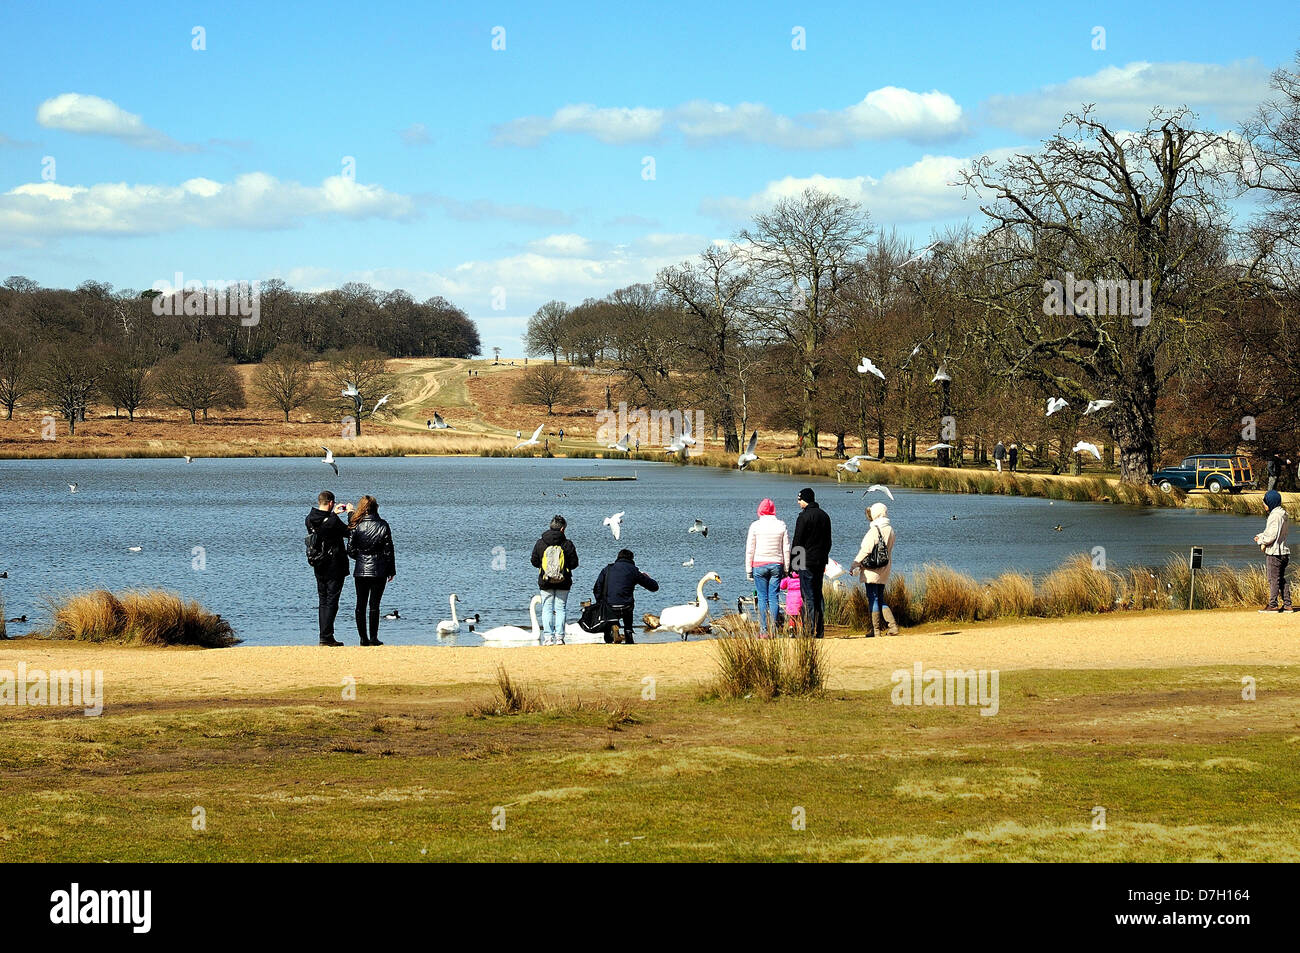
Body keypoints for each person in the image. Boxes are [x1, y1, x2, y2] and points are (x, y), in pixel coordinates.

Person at [346, 495, 396, 645]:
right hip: (379, 569)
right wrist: (391, 570)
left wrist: (361, 558)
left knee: (360, 605)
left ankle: (363, 638)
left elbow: (350, 549)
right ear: (376, 508)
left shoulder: (356, 525)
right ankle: (373, 638)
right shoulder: (383, 525)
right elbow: (389, 550)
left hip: (361, 569)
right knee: (374, 605)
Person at [305, 490, 351, 646]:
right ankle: (326, 636)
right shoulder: (332, 520)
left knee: (323, 600)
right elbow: (348, 532)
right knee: (331, 601)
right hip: (334, 565)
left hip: (318, 564)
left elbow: (322, 530)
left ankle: (324, 635)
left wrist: (334, 516)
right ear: (331, 503)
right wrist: (349, 513)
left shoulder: (310, 518)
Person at [850, 502, 899, 636]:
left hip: (872, 568)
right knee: (879, 597)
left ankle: (876, 630)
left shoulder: (874, 530)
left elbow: (866, 550)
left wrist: (854, 564)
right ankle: (892, 626)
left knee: (873, 597)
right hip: (885, 566)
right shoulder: (890, 529)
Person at [592, 549, 659, 643]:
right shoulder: (633, 570)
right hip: (626, 607)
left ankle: (610, 630)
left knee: (609, 608)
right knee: (627, 604)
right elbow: (654, 587)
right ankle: (628, 631)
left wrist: (600, 602)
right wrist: (646, 577)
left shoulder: (607, 569)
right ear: (631, 559)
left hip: (609, 607)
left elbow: (597, 588)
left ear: (618, 558)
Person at [745, 498, 790, 636]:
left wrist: (748, 569)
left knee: (762, 598)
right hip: (776, 564)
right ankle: (774, 630)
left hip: (759, 565)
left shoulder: (755, 526)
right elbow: (786, 548)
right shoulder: (781, 525)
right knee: (774, 597)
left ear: (760, 510)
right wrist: (787, 568)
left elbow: (750, 549)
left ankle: (764, 631)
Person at [530, 515, 578, 645]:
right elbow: (574, 563)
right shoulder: (567, 544)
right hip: (564, 581)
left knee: (547, 608)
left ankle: (548, 638)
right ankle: (559, 638)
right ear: (563, 529)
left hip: (545, 581)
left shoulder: (540, 543)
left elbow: (534, 561)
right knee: (561, 608)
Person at [791, 487, 832, 638]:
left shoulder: (803, 517)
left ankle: (808, 630)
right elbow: (828, 541)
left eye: (799, 499)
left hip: (805, 562)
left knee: (807, 596)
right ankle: (820, 630)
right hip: (820, 561)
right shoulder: (825, 516)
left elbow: (798, 542)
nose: (798, 502)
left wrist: (793, 565)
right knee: (817, 594)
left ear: (805, 500)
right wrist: (824, 557)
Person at [1254, 489, 1293, 612]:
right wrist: (1261, 536)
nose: (1263, 505)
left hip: (1275, 553)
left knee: (1273, 579)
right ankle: (1287, 604)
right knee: (1281, 579)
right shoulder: (1283, 514)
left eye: (1265, 502)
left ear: (1271, 502)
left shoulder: (1274, 516)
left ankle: (1273, 604)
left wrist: (1261, 541)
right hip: (1284, 552)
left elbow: (1271, 535)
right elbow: (1275, 532)